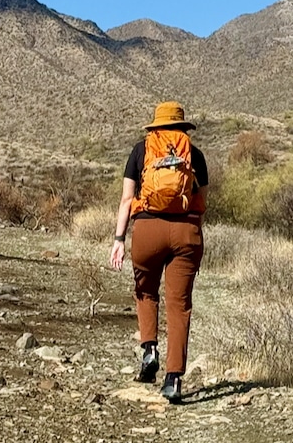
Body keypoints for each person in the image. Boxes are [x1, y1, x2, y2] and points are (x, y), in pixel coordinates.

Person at [109, 101, 208, 403]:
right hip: (186, 232)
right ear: (182, 126)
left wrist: (119, 239)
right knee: (179, 305)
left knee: (146, 292)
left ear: (156, 125)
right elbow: (201, 203)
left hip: (147, 230)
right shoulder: (194, 155)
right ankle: (173, 379)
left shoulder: (141, 151)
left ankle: (150, 350)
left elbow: (127, 200)